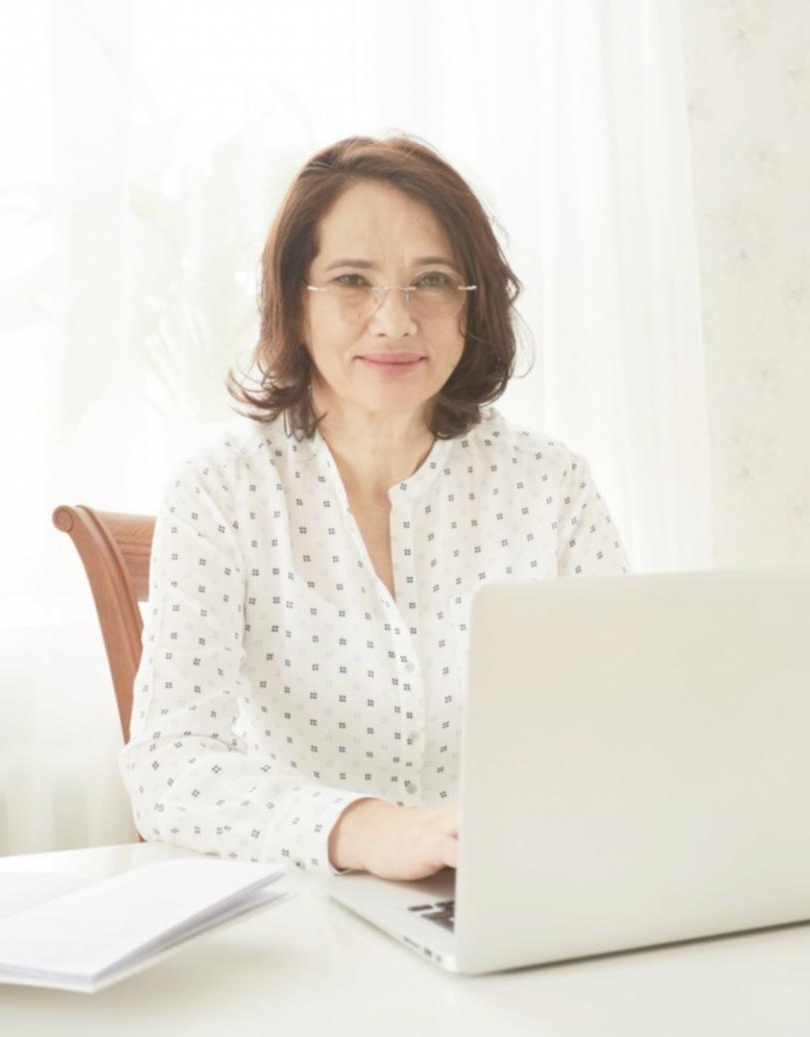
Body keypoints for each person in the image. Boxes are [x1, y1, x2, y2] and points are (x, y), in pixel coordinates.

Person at [120, 135, 628, 882]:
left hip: (514, 895)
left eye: (431, 282)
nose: (394, 321)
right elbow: (168, 769)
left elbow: (625, 721)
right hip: (303, 904)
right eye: (352, 280)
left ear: (470, 306)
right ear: (294, 302)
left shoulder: (549, 485)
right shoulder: (220, 491)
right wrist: (365, 831)